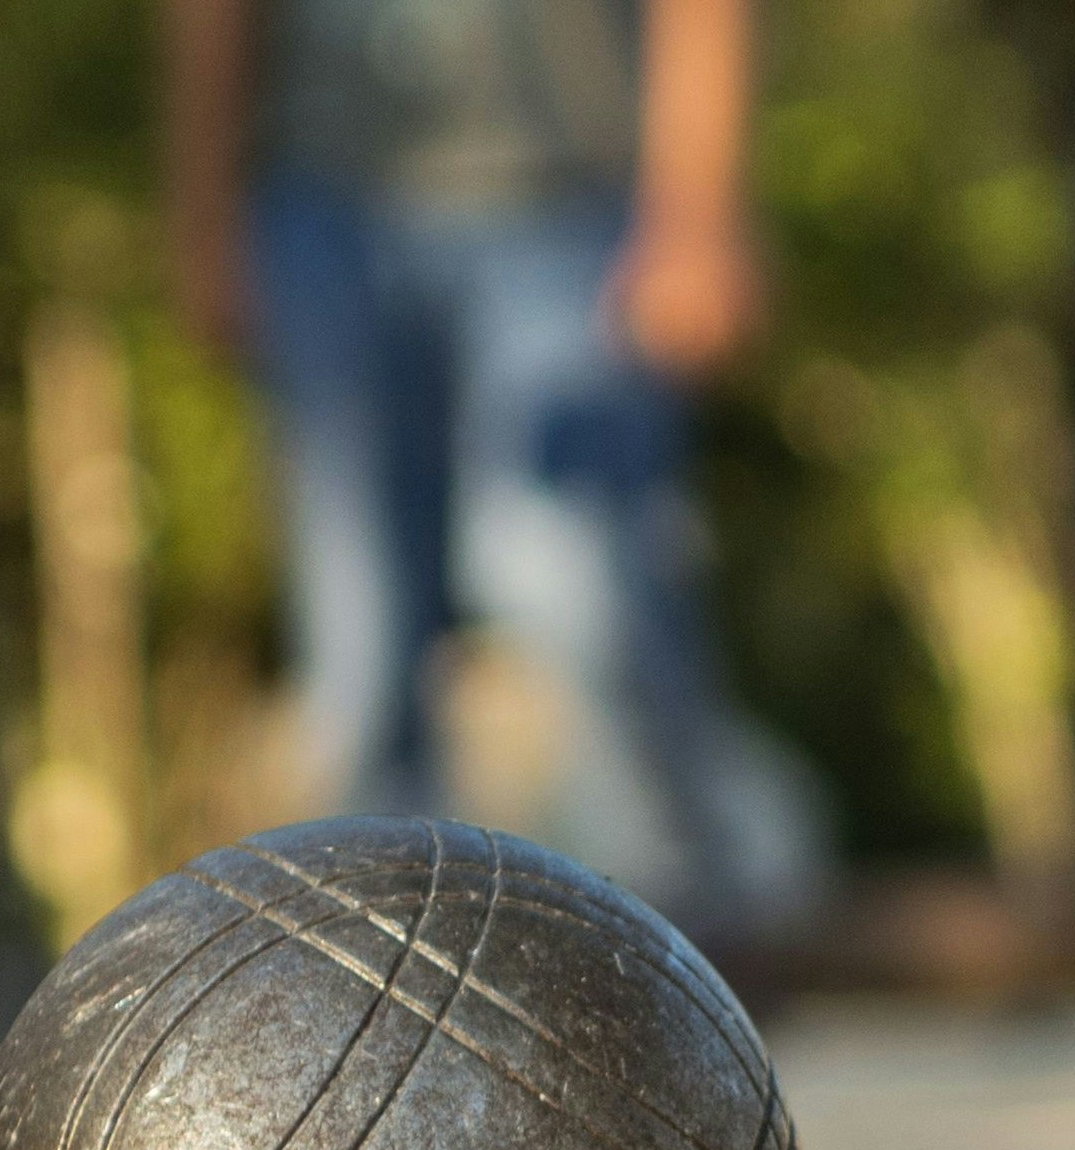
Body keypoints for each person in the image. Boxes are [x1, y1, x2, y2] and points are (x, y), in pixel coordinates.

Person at [163, 0, 773, 943]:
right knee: (360, 643)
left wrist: (699, 213)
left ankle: (697, 957)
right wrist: (204, 213)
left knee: (585, 593)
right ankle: (368, 977)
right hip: (324, 207)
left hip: (565, 205)